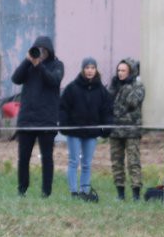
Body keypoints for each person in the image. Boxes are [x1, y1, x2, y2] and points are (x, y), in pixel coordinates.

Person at [11, 35, 64, 197]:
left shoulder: (57, 65)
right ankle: (22, 189)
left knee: (47, 158)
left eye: (43, 50)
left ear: (49, 51)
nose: (40, 52)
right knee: (23, 158)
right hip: (27, 119)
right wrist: (27, 61)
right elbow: (16, 79)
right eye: (37, 49)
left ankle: (46, 191)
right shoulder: (28, 65)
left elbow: (54, 81)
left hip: (47, 120)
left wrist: (39, 65)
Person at [59, 57, 113, 201]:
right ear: (83, 69)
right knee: (73, 161)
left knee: (87, 163)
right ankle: (74, 191)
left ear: (96, 70)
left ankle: (85, 190)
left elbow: (107, 111)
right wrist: (64, 125)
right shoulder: (72, 88)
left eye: (92, 68)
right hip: (74, 132)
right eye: (87, 67)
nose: (90, 70)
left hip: (91, 133)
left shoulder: (102, 91)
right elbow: (63, 107)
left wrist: (106, 127)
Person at [108, 58, 145, 200]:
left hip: (131, 131)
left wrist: (125, 87)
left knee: (133, 162)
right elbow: (108, 104)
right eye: (118, 70)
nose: (120, 73)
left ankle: (136, 193)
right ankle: (120, 193)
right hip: (115, 130)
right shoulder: (114, 86)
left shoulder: (138, 86)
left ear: (131, 71)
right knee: (116, 162)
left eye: (123, 70)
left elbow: (132, 102)